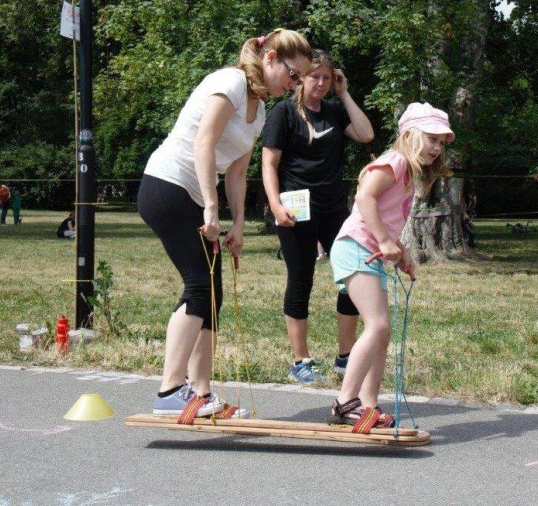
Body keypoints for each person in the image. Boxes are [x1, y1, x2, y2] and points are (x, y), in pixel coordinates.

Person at [137, 29, 312, 418]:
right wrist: (211, 209)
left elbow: (237, 173)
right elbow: (204, 142)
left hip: (194, 197)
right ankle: (169, 390)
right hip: (167, 187)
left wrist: (237, 224)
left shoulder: (259, 109)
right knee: (198, 284)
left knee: (211, 293)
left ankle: (201, 394)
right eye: (293, 74)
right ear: (270, 58)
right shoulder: (229, 81)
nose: (294, 84)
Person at [327, 102, 453, 427]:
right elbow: (364, 198)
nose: (437, 148)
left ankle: (367, 405)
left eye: (442, 143)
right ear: (410, 134)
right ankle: (345, 403)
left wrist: (400, 250)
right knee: (378, 326)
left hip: (369, 251)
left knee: (382, 333)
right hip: (356, 246)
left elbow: (387, 216)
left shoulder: (409, 173)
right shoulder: (394, 161)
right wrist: (385, 242)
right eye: (431, 138)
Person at [262, 49, 374, 384]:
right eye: (315, 77)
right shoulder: (283, 112)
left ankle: (345, 355)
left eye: (327, 77)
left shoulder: (336, 111)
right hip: (295, 207)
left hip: (334, 207)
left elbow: (366, 134)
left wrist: (344, 92)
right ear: (300, 78)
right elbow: (268, 164)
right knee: (301, 280)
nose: (321, 83)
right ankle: (300, 360)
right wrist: (276, 206)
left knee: (350, 278)